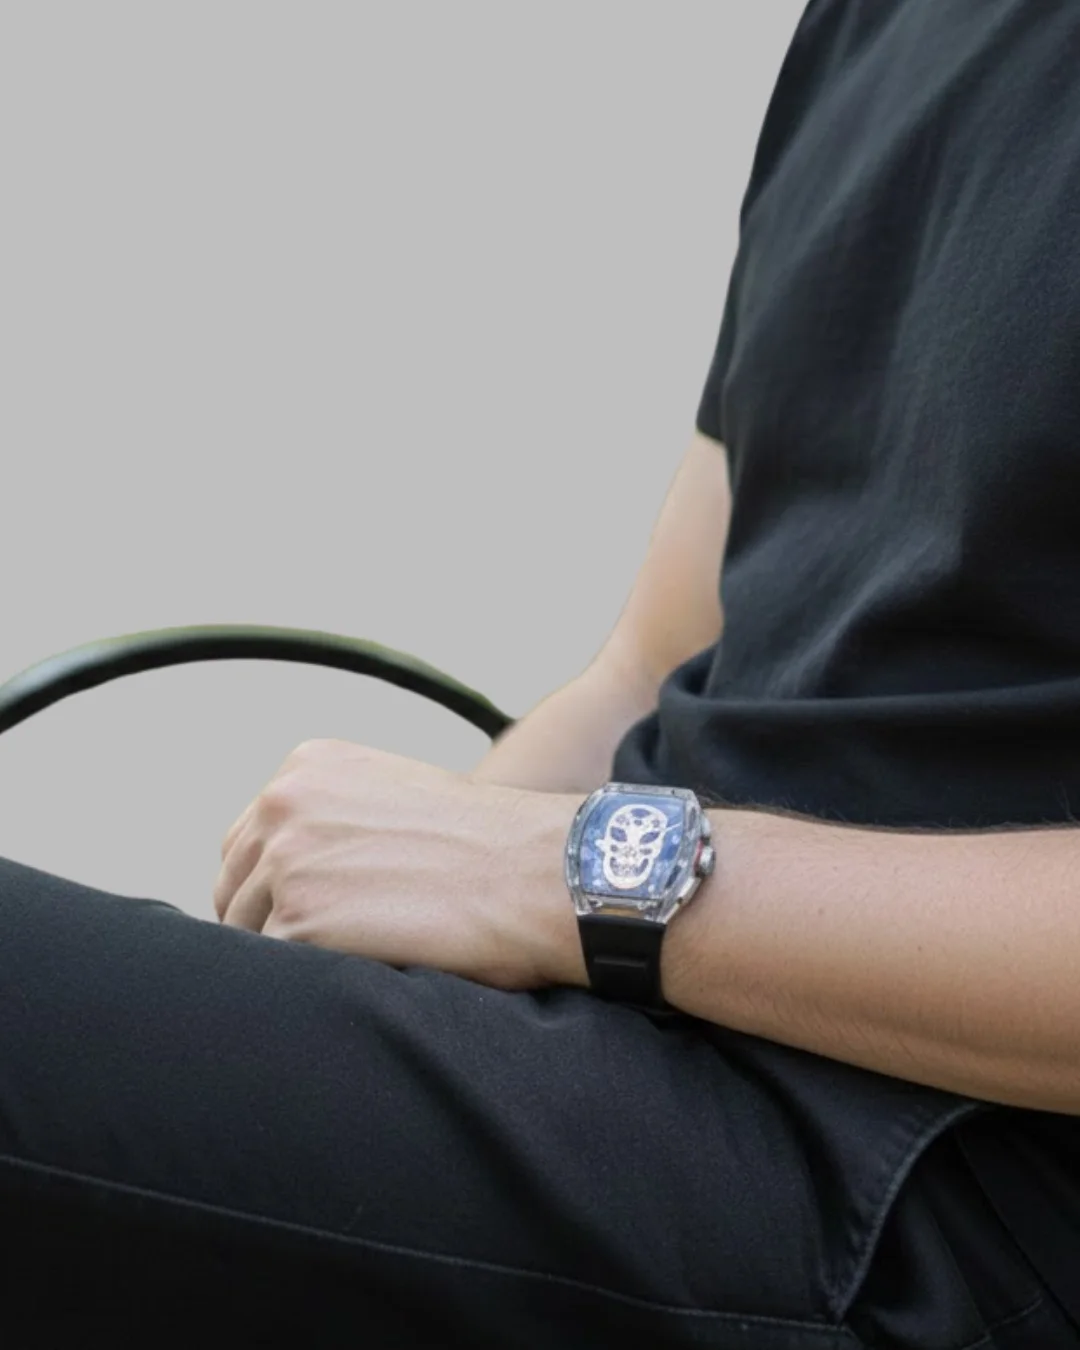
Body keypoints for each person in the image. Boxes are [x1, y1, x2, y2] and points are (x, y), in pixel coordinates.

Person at [3, 0, 1079, 1343]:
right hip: (631, 1042)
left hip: (948, 1197)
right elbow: (646, 665)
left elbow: (552, 864)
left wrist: (555, 876)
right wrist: (339, 952)